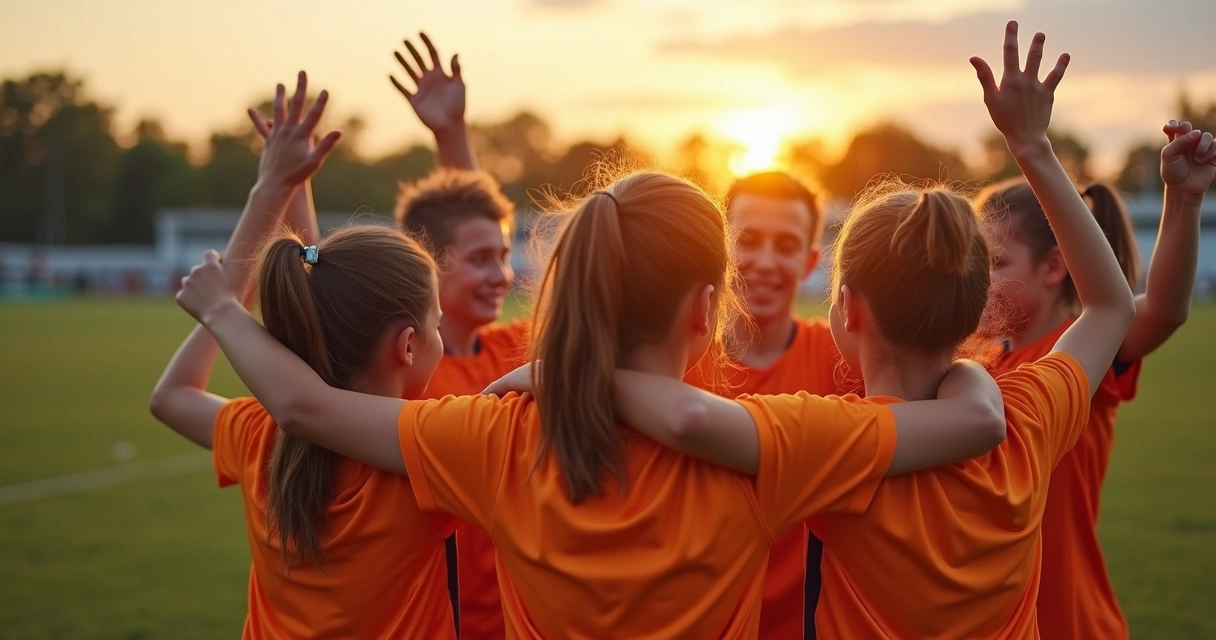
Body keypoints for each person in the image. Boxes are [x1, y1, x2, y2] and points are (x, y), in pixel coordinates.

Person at [175, 158, 1008, 637]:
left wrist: (222, 305)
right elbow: (974, 418)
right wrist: (971, 366)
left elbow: (311, 407)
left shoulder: (497, 436)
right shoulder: (770, 446)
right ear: (701, 311)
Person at [522, 23, 1137, 638]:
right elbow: (1110, 308)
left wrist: (571, 371)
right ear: (975, 307)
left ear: (847, 308)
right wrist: (1033, 148)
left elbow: (693, 420)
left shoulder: (835, 443)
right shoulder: (1027, 417)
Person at [149, 74, 460, 639]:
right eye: (438, 323)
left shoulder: (261, 436)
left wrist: (270, 192)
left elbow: (172, 398)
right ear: (408, 346)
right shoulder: (428, 448)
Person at [979, 118, 1215, 639]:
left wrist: (1183, 200)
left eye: (995, 261)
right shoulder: (972, 368)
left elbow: (1164, 310)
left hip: (1071, 622)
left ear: (1053, 267)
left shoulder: (1087, 352)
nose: (978, 278)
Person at [392, 32, 525, 638]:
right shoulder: (407, 368)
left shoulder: (510, 349)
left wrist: (452, 135)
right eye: (479, 260)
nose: (500, 274)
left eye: (503, 255)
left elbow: (472, 214)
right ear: (428, 264)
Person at [684, 170, 854, 639]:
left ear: (810, 261)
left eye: (786, 246)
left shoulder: (841, 360)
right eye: (748, 240)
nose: (763, 262)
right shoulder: (672, 358)